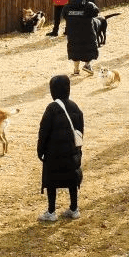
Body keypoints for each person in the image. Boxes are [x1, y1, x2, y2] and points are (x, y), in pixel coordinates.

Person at [37, 74, 85, 222]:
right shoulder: (75, 106)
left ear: (53, 91)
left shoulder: (51, 108)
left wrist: (40, 151)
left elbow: (43, 131)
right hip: (72, 152)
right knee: (72, 180)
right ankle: (74, 208)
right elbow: (80, 130)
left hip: (53, 153)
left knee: (52, 182)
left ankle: (51, 212)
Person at [64, 0, 100, 76]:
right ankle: (87, 65)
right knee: (88, 48)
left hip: (73, 33)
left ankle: (76, 70)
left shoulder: (68, 5)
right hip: (87, 32)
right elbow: (96, 12)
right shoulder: (89, 5)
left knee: (75, 49)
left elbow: (64, 15)